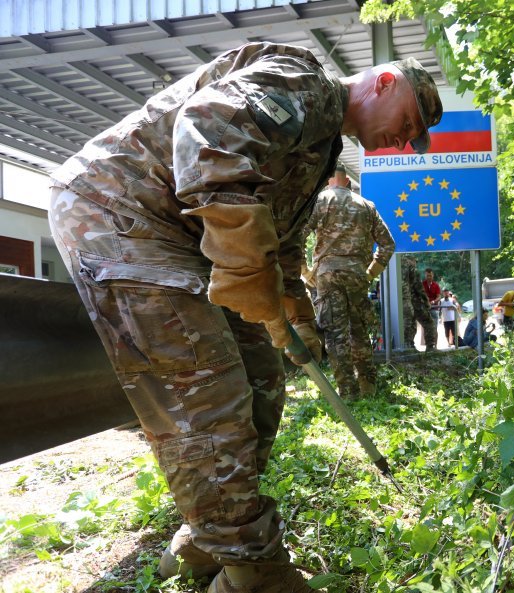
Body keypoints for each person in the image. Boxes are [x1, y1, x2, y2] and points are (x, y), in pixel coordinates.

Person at [47, 42, 442, 593]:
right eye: (408, 123)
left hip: (186, 238)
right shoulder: (303, 82)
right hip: (120, 211)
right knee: (208, 392)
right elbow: (206, 131)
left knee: (262, 380)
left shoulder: (322, 145)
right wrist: (244, 264)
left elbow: (279, 240)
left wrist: (294, 314)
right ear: (384, 84)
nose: (402, 141)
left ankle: (206, 543)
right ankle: (255, 572)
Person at [303, 164, 395, 400]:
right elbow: (388, 244)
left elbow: (298, 235)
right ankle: (368, 386)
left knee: (335, 334)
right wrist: (370, 273)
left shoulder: (320, 200)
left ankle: (348, 392)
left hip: (327, 274)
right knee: (359, 331)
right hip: (357, 274)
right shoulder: (366, 205)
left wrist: (305, 271)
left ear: (328, 181)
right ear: (346, 182)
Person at [401, 257, 437, 350]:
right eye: (415, 262)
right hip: (413, 301)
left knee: (411, 323)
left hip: (398, 302)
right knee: (428, 322)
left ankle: (409, 346)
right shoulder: (411, 268)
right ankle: (430, 346)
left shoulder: (393, 265)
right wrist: (426, 301)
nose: (415, 263)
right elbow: (419, 287)